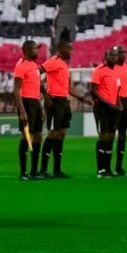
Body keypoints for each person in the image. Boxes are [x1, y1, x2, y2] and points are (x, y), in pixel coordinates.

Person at [39, 39, 80, 178]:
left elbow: (68, 87)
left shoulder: (64, 65)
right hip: (54, 101)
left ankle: (57, 170)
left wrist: (82, 98)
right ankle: (43, 170)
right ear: (61, 49)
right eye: (69, 49)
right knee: (52, 133)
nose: (71, 52)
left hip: (64, 101)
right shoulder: (53, 61)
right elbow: (36, 73)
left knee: (61, 133)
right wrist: (45, 94)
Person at [13, 40, 43, 180]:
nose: (37, 52)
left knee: (38, 135)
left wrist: (41, 108)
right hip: (26, 102)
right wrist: (22, 111)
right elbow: (16, 90)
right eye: (35, 49)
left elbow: (36, 89)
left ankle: (34, 171)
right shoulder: (21, 65)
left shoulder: (34, 65)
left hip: (36, 102)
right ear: (27, 50)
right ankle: (23, 172)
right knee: (26, 136)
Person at [90, 49, 118, 178]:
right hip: (102, 108)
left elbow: (116, 91)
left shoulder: (115, 72)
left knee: (111, 137)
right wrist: (108, 104)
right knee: (103, 136)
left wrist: (119, 105)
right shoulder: (99, 71)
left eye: (115, 55)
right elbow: (94, 91)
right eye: (111, 55)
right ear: (105, 57)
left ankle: (108, 168)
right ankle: (100, 169)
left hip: (113, 109)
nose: (114, 57)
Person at [112, 46, 127, 176]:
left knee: (123, 134)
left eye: (125, 52)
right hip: (113, 101)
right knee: (110, 134)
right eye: (121, 53)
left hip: (125, 101)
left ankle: (119, 167)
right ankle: (106, 167)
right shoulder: (111, 68)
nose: (123, 55)